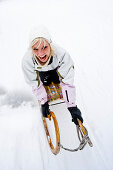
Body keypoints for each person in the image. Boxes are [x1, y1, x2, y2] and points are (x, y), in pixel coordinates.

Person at [22, 26, 83, 125]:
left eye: (44, 47)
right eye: (35, 49)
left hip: (56, 69)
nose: (41, 53)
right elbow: (34, 83)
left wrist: (72, 107)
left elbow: (67, 81)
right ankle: (46, 76)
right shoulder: (27, 61)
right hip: (41, 72)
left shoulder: (61, 54)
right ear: (31, 49)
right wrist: (43, 102)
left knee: (56, 80)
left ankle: (53, 76)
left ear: (50, 44)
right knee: (45, 81)